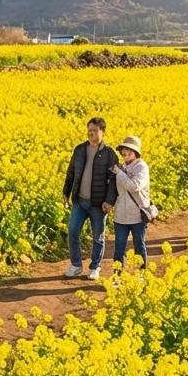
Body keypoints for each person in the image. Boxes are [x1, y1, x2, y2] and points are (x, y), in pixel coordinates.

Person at [62, 117, 118, 280]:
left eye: (94, 130)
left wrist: (109, 201)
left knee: (98, 237)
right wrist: (66, 191)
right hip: (80, 201)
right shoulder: (80, 149)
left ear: (102, 132)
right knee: (72, 231)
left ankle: (95, 267)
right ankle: (76, 265)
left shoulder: (109, 154)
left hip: (98, 204)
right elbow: (71, 171)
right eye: (89, 130)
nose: (91, 133)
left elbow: (113, 180)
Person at [110, 135, 151, 271]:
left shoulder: (142, 167)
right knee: (119, 248)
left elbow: (134, 186)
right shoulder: (120, 167)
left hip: (137, 215)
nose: (125, 153)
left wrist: (119, 173)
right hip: (120, 215)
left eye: (129, 150)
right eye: (124, 150)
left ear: (136, 152)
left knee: (139, 245)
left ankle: (142, 275)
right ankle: (117, 277)